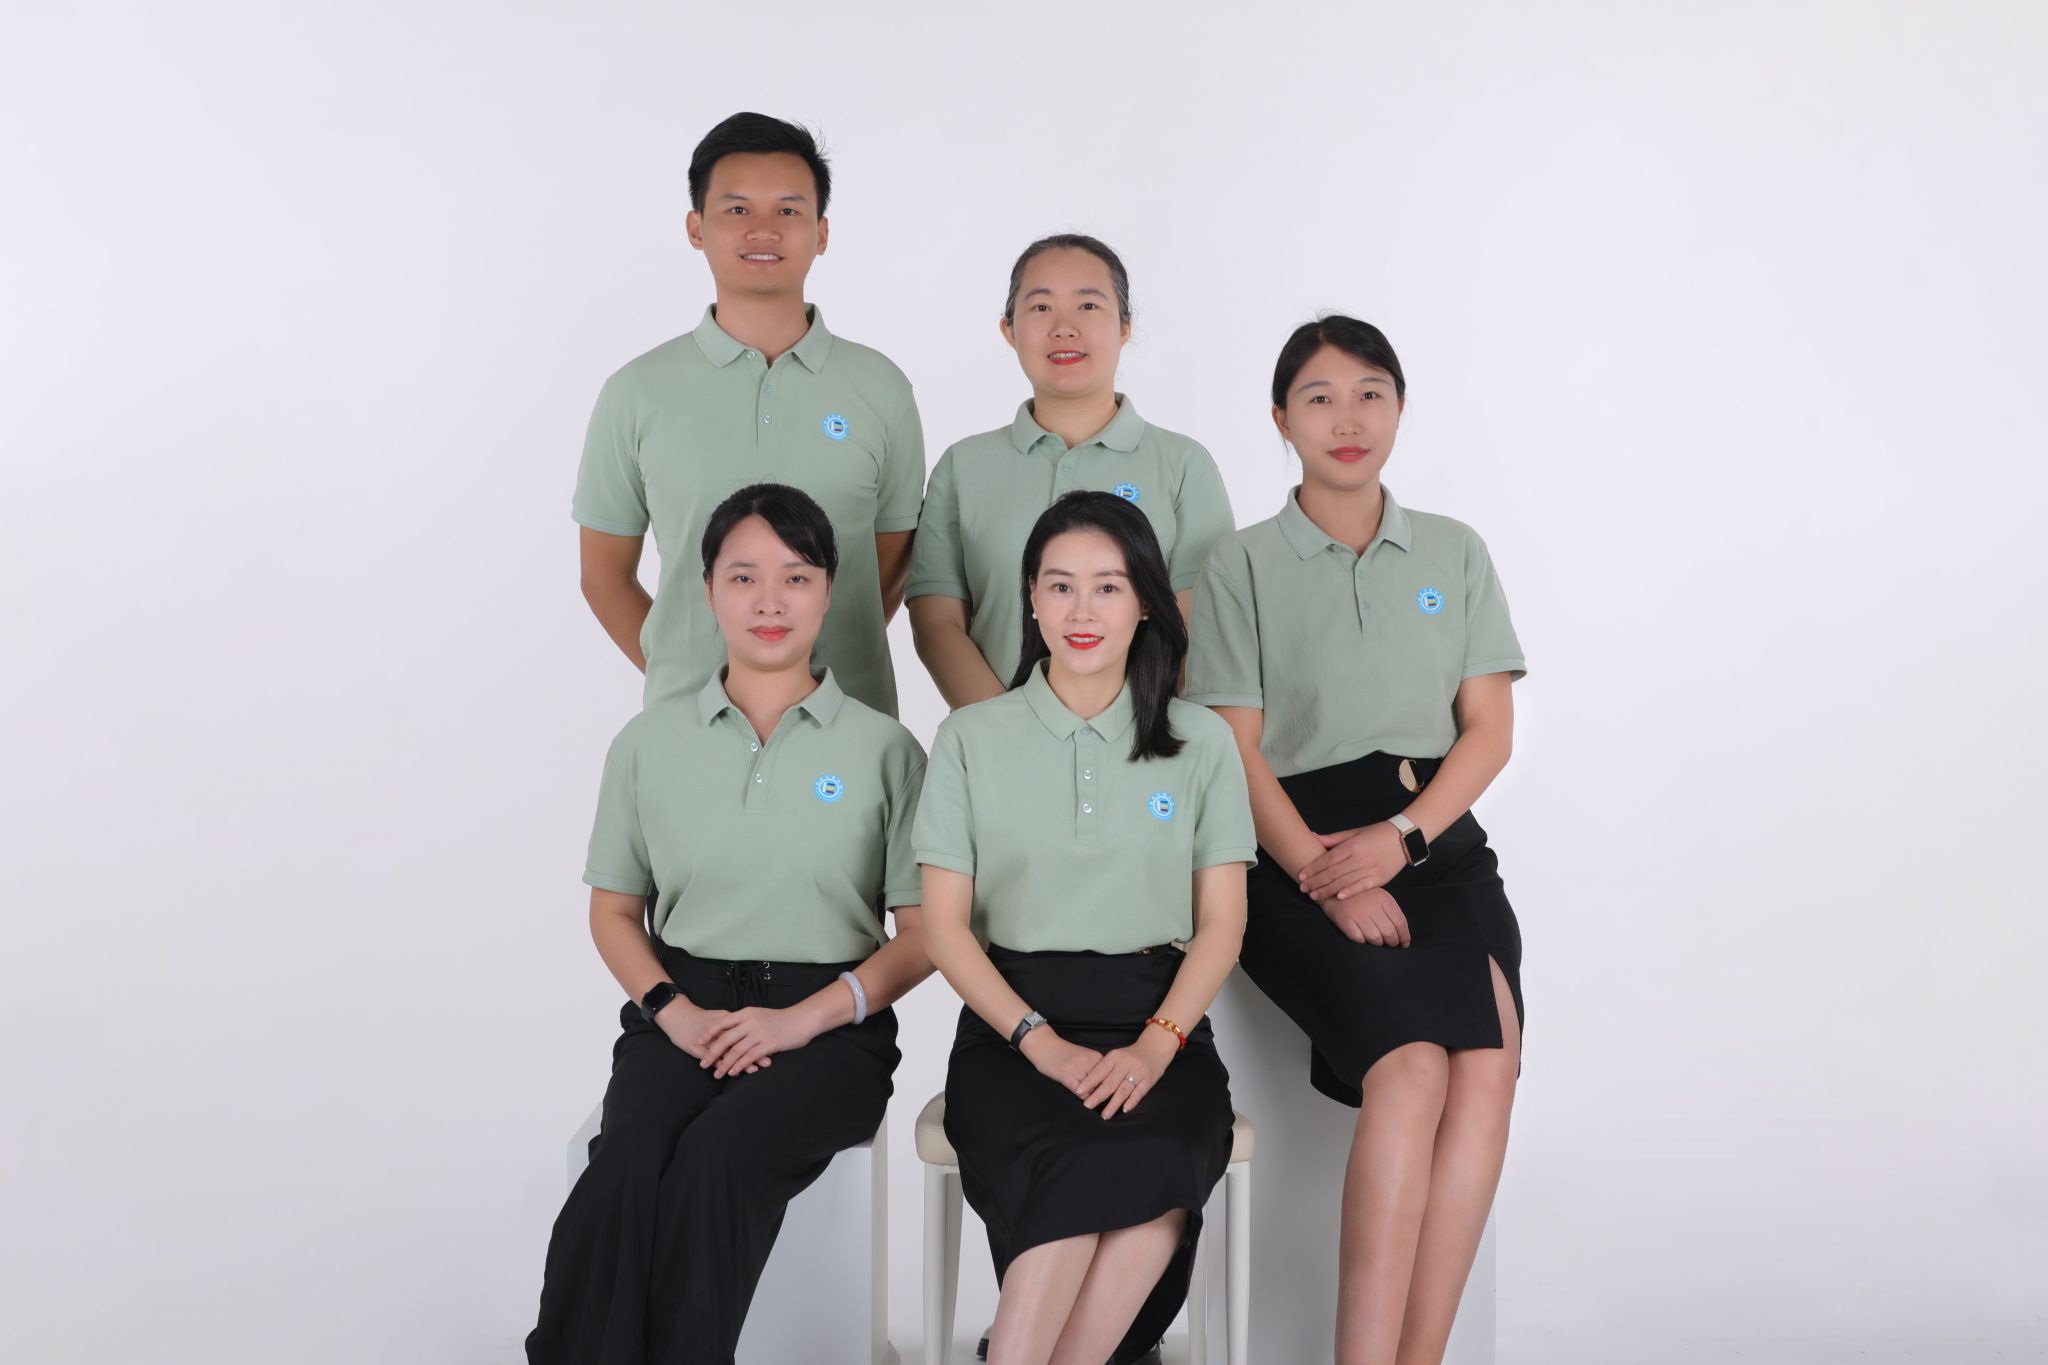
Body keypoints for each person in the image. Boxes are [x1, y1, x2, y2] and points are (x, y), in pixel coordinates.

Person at [1185, 316, 1528, 1365]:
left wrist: (1402, 840)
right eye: (1320, 397)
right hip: (1290, 852)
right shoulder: (1239, 562)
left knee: (1489, 1063)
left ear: (1401, 408)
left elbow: (1489, 730)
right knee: (1412, 1067)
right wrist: (1324, 873)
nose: (1348, 418)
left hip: (1434, 844)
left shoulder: (1452, 550)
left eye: (1371, 392)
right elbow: (1232, 748)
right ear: (1280, 419)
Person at [528, 484, 932, 1364]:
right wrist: (672, 1011)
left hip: (830, 1026)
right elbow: (613, 910)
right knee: (626, 1162)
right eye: (743, 576)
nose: (769, 600)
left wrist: (800, 1021)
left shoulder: (886, 750)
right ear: (707, 589)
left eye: (796, 576)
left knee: (720, 1155)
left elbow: (924, 934)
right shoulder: (648, 743)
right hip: (683, 1007)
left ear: (830, 591)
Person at [916, 491, 1254, 1365]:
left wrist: (1154, 1046)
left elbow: (1222, 924)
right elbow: (945, 929)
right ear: (1030, 598)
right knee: (1075, 1159)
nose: (1082, 610)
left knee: (1159, 1159)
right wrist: (1042, 1044)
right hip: (1011, 1027)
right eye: (1060, 585)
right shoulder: (969, 738)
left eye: (1108, 586)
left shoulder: (1202, 741)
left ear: (1145, 601)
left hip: (1160, 1022)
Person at [574, 112, 924, 716]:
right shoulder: (636, 392)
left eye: (788, 210)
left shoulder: (881, 388)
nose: (764, 229)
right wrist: (693, 679)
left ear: (821, 232)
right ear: (696, 227)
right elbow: (604, 576)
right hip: (689, 730)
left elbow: (889, 563)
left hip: (851, 730)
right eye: (737, 209)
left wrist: (794, 671)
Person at [906, 234, 1233, 709]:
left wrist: (1133, 733)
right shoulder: (963, 466)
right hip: (997, 742)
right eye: (1041, 308)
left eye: (1088, 306)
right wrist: (1004, 730)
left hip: (1145, 741)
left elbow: (1196, 631)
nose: (1064, 328)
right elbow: (936, 622)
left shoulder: (1184, 465)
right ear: (1009, 329)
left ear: (1124, 327)